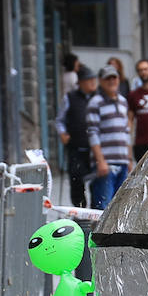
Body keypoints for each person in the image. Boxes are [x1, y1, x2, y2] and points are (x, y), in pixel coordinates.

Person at [87, 65, 132, 210]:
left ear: (119, 79)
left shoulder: (123, 102)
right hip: (106, 164)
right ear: (101, 81)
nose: (112, 81)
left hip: (122, 162)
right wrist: (100, 161)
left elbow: (126, 133)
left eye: (114, 77)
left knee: (120, 207)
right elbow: (92, 133)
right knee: (104, 208)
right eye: (108, 78)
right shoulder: (96, 102)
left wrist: (129, 159)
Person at [54, 66, 99, 208]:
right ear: (80, 82)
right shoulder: (70, 97)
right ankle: (80, 211)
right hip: (76, 146)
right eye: (88, 80)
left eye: (93, 79)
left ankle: (96, 210)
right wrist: (62, 133)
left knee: (97, 181)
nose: (92, 82)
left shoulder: (98, 97)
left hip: (95, 149)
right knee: (76, 180)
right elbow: (59, 120)